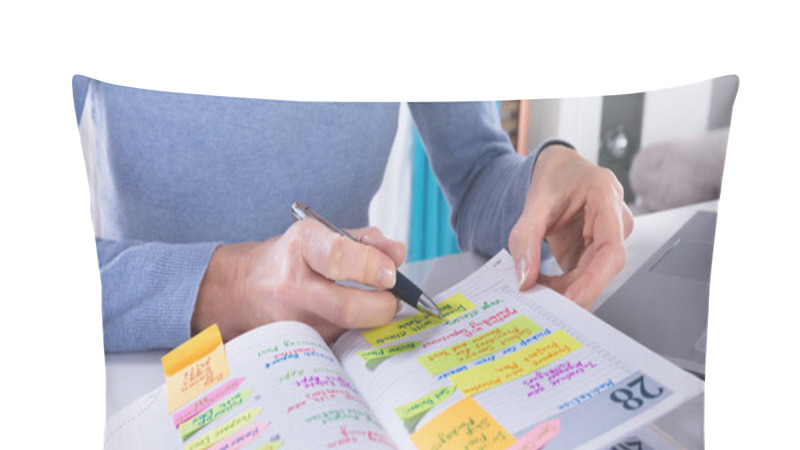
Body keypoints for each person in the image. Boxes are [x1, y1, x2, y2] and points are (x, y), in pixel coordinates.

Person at [72, 76, 633, 352]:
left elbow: (478, 170)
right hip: (152, 385)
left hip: (341, 365)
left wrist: (546, 177)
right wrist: (230, 286)